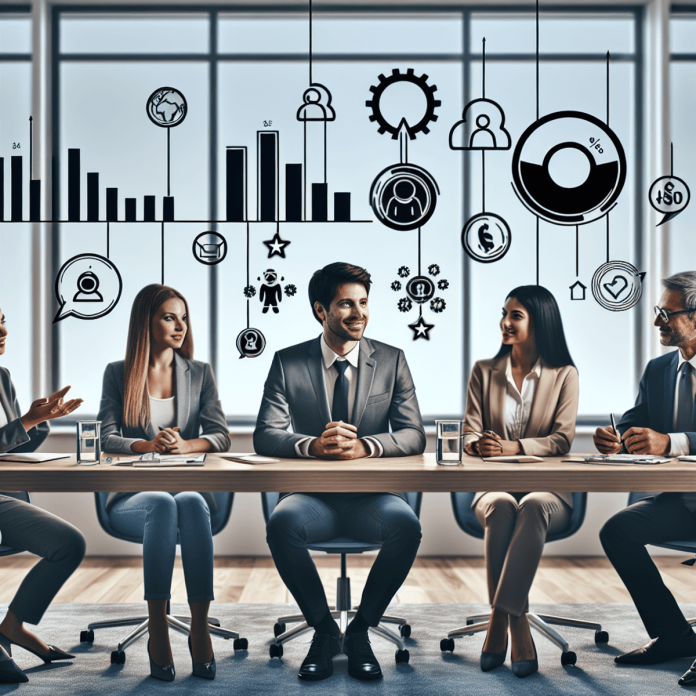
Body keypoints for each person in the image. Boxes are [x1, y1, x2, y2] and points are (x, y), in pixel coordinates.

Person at [254, 262, 425, 683]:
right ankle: (326, 631)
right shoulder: (287, 362)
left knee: (407, 526)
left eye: (364, 303)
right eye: (346, 304)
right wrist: (312, 446)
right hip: (312, 497)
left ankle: (362, 630)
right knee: (281, 525)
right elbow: (265, 434)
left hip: (373, 498)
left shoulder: (392, 360)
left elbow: (413, 434)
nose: (358, 313)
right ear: (320, 310)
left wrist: (366, 446)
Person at [98, 284, 231, 682]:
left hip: (189, 489)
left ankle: (200, 626)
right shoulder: (118, 374)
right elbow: (105, 436)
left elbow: (221, 435)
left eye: (184, 318)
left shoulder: (200, 373)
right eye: (169, 317)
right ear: (147, 322)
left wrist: (188, 443)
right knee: (161, 502)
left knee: (189, 501)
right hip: (133, 500)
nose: (180, 326)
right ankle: (158, 625)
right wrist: (146, 444)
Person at [462, 285, 578, 678]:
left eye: (516, 315)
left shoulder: (564, 374)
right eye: (504, 313)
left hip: (549, 493)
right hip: (492, 486)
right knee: (502, 505)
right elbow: (467, 434)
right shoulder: (484, 371)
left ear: (539, 322)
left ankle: (499, 619)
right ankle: (519, 624)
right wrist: (481, 444)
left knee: (530, 504)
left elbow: (561, 440)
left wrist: (511, 447)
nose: (505, 322)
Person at [596, 271, 696, 682]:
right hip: (681, 502)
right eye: (658, 312)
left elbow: (664, 440)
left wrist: (670, 442)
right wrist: (616, 437)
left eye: (666, 313)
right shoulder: (658, 369)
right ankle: (673, 635)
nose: (657, 321)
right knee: (617, 531)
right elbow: (636, 423)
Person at [0, 306, 85, 684]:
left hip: (6, 495)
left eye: (2, 319)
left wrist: (42, 419)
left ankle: (12, 627)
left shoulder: (2, 377)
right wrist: (27, 422)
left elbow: (14, 447)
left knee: (69, 543)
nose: (2, 330)